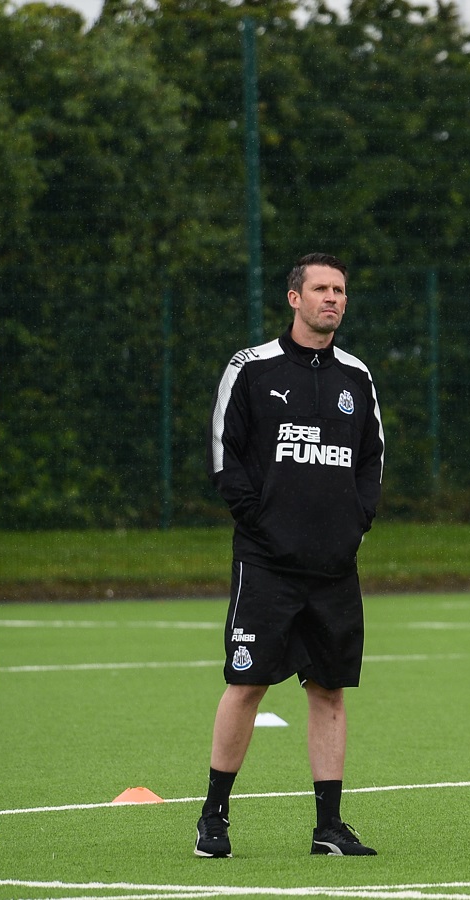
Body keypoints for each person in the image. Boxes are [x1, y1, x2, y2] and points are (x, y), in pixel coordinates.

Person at [197, 252, 386, 859]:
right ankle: (214, 818)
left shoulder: (357, 376)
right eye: (321, 289)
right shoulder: (250, 368)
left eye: (340, 290)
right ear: (294, 298)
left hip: (333, 566)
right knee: (247, 682)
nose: (333, 299)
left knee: (329, 690)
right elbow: (226, 459)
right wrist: (263, 526)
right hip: (268, 563)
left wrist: (353, 526)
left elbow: (371, 461)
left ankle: (329, 826)